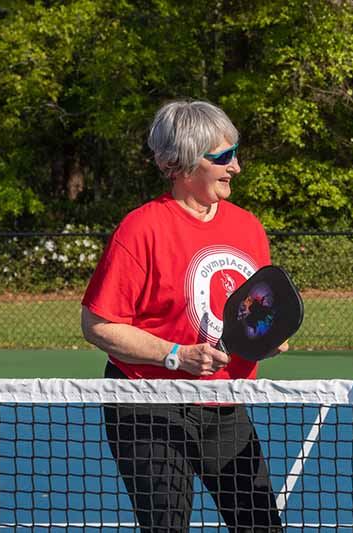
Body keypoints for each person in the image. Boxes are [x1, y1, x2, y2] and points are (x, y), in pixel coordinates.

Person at [81, 100, 284, 532]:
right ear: (186, 163)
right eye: (224, 157)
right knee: (167, 526)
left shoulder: (248, 227)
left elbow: (255, 311)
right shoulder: (141, 229)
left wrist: (265, 336)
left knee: (261, 525)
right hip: (148, 406)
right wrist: (177, 355)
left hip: (226, 405)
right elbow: (97, 324)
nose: (237, 167)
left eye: (235, 153)